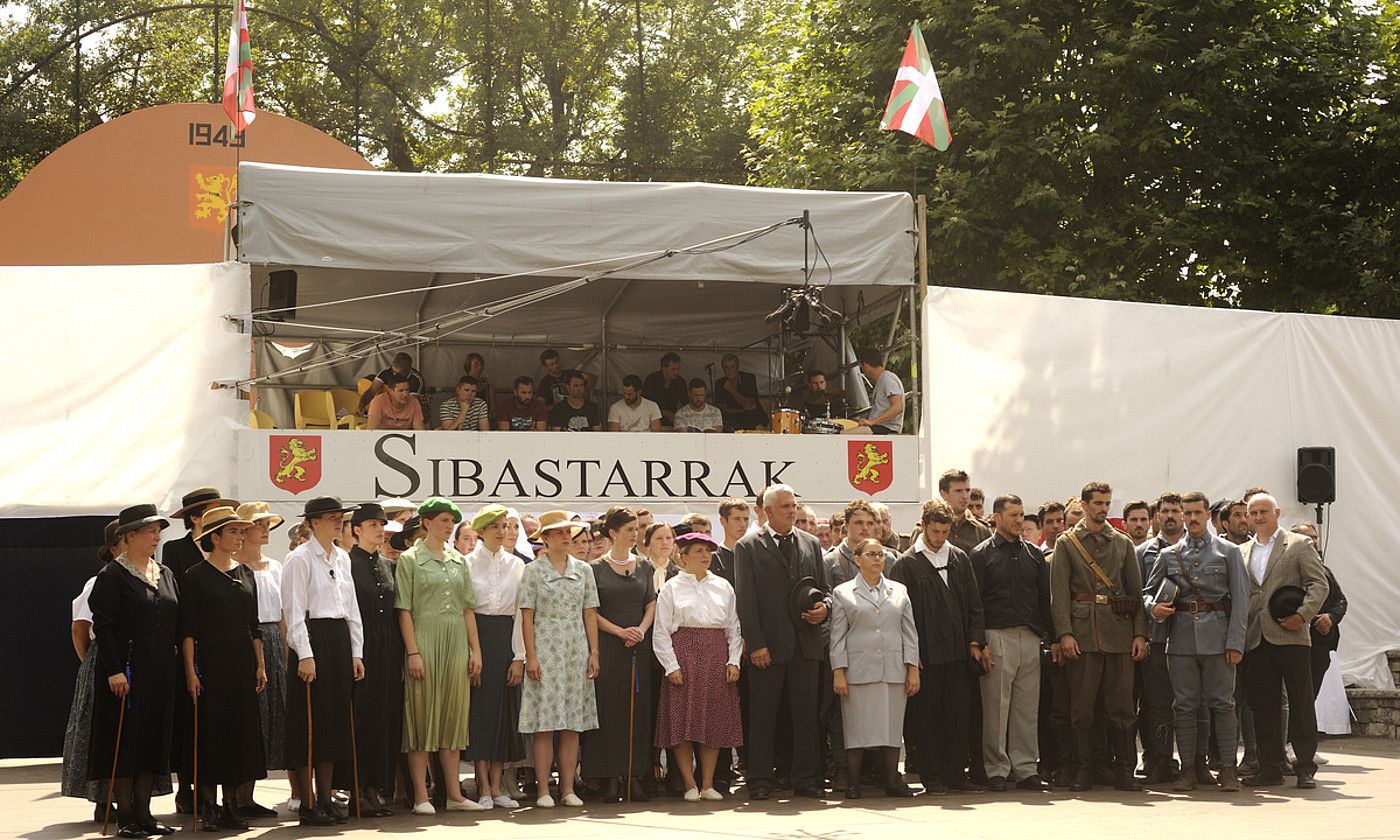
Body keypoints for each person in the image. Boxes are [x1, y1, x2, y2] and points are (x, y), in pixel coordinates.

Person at [1145, 491, 1250, 793]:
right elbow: (1146, 593)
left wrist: (1235, 642)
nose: (1190, 518)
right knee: (1185, 706)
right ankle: (1189, 769)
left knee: (1223, 704)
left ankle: (1228, 769)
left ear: (1207, 515)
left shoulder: (1228, 553)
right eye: (1185, 513)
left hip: (1218, 639)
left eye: (1196, 513)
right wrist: (1152, 607)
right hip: (1179, 640)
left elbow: (1241, 601)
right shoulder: (1168, 555)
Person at [87, 504, 179, 838]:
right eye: (149, 531)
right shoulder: (113, 576)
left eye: (158, 531)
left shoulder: (164, 574)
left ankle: (145, 813)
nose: (156, 537)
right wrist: (113, 669)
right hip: (126, 671)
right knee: (126, 742)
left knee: (152, 741)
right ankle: (125, 815)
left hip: (160, 672)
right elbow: (104, 626)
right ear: (129, 536)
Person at [1050, 482, 1148, 792]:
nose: (1103, 508)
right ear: (1084, 504)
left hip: (1118, 632)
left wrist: (1140, 633)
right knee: (1082, 706)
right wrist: (1064, 633)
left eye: (1107, 503)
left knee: (1122, 706)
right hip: (1083, 633)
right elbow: (1060, 594)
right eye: (1097, 503)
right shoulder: (1067, 543)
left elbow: (1135, 591)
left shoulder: (1121, 543)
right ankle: (1085, 770)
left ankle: (1123, 770)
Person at [734, 484, 831, 800]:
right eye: (786, 506)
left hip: (806, 646)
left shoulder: (811, 543)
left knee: (806, 717)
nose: (793, 511)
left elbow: (824, 588)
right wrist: (756, 642)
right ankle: (760, 779)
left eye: (794, 505)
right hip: (769, 649)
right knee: (763, 717)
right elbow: (746, 601)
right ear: (768, 510)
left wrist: (824, 608)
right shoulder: (748, 546)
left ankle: (806, 778)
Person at [395, 497, 487, 814]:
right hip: (424, 638)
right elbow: (404, 610)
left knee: (453, 715)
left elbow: (467, 609)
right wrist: (413, 652)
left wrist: (475, 650)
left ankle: (454, 795)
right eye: (444, 520)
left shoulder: (459, 560)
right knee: (420, 715)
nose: (449, 526)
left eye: (452, 521)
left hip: (456, 642)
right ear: (427, 522)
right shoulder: (409, 560)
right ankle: (421, 795)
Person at [179, 506, 266, 831]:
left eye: (241, 531)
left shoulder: (246, 575)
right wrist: (190, 672)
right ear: (214, 537)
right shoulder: (195, 576)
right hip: (210, 665)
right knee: (210, 734)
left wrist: (260, 664)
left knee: (237, 734)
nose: (240, 536)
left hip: (241, 664)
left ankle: (231, 804)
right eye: (233, 531)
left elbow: (253, 626)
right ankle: (209, 806)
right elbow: (187, 630)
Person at [282, 496, 366, 827]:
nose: (338, 523)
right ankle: (308, 801)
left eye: (340, 519)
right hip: (313, 638)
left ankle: (326, 797)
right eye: (332, 518)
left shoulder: (342, 557)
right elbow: (293, 609)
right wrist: (304, 654)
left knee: (332, 723)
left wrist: (356, 652)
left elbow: (352, 608)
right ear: (314, 522)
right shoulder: (299, 559)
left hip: (338, 640)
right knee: (308, 723)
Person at [890, 500, 985, 793]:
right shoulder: (906, 563)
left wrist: (976, 639)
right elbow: (901, 614)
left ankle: (957, 773)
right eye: (934, 531)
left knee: (958, 714)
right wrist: (910, 655)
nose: (939, 537)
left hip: (957, 652)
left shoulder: (958, 558)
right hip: (925, 655)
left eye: (945, 531)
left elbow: (973, 602)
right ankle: (932, 776)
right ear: (924, 526)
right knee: (927, 717)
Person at [1238, 492, 1329, 789]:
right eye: (1254, 513)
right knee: (1263, 706)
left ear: (1276, 512)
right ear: (1248, 517)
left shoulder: (1299, 544)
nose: (1259, 517)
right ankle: (1270, 767)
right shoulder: (1241, 552)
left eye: (1265, 511)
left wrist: (1302, 616)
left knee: (1301, 703)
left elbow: (1319, 584)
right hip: (1256, 638)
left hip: (1292, 635)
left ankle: (1304, 766)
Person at [518, 512, 601, 807]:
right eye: (559, 533)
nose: (566, 538)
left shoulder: (584, 570)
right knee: (545, 723)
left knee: (572, 723)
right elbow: (527, 616)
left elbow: (589, 611)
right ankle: (543, 789)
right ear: (546, 538)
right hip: (546, 644)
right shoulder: (533, 571)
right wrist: (531, 656)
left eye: (569, 532)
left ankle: (567, 789)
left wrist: (594, 651)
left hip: (576, 646)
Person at [654, 531, 745, 801]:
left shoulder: (723, 586)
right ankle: (689, 783)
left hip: (716, 655)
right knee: (683, 721)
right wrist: (671, 665)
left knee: (712, 721)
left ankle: (707, 784)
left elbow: (734, 627)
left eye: (708, 551)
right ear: (682, 557)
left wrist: (733, 660)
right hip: (683, 653)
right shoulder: (672, 587)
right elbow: (661, 631)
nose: (705, 556)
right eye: (698, 551)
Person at [831, 537, 919, 798]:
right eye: (871, 554)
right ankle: (854, 783)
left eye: (881, 554)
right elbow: (837, 635)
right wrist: (839, 670)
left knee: (892, 728)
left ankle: (892, 781)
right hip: (858, 669)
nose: (878, 559)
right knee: (856, 729)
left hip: (892, 667)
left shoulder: (899, 590)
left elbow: (910, 633)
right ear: (857, 559)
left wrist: (912, 667)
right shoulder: (843, 592)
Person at [583, 507, 657, 802]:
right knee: (609, 710)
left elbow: (650, 603)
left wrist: (639, 628)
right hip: (610, 643)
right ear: (612, 533)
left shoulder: (644, 566)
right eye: (629, 529)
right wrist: (619, 631)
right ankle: (609, 777)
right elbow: (590, 611)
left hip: (638, 643)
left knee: (638, 711)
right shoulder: (594, 568)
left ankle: (635, 775)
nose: (635, 534)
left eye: (637, 529)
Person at [462, 504, 526, 809]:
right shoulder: (466, 563)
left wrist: (519, 656)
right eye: (496, 527)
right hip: (479, 636)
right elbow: (467, 610)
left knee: (504, 710)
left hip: (506, 636)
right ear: (482, 531)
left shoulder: (516, 564)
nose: (503, 532)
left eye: (506, 526)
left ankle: (498, 785)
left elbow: (519, 613)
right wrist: (473, 651)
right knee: (481, 712)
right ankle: (483, 784)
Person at [343, 503, 403, 817]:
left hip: (388, 647)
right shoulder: (347, 563)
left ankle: (374, 789)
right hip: (361, 645)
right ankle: (356, 788)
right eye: (372, 525)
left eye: (382, 524)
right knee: (362, 716)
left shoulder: (388, 564)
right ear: (356, 529)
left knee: (385, 715)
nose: (380, 530)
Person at [231, 502, 288, 817]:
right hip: (247, 640)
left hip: (274, 641)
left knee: (270, 717)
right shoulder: (233, 567)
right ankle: (235, 795)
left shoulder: (276, 566)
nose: (265, 529)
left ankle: (248, 795)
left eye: (268, 524)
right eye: (259, 524)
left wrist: (284, 647)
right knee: (250, 715)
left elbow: (281, 614)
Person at [1134, 492, 1187, 785]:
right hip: (1155, 638)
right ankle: (1158, 760)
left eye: (1175, 511)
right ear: (1156, 516)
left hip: (1190, 638)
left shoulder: (1197, 550)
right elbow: (1135, 594)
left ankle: (1192, 762)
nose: (1170, 516)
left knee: (1191, 703)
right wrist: (1150, 610)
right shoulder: (1142, 553)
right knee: (1155, 704)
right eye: (1165, 510)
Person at [1291, 523, 1347, 697]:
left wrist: (1331, 618)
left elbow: (1340, 600)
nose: (1313, 542)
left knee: (1312, 693)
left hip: (1322, 643)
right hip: (1297, 640)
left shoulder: (1324, 570)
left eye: (1314, 537)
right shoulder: (1288, 569)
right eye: (1307, 538)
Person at [938, 469, 991, 554]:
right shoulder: (928, 528)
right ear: (943, 494)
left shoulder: (981, 531)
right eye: (958, 491)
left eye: (967, 490)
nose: (965, 496)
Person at [714, 353, 768, 431]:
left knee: (751, 418)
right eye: (727, 368)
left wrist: (732, 390)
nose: (730, 370)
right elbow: (721, 409)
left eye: (732, 367)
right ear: (723, 369)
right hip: (732, 419)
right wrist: (740, 411)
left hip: (752, 417)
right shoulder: (719, 383)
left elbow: (749, 404)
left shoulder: (749, 379)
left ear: (738, 367)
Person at [357, 352, 423, 414]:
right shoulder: (386, 372)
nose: (394, 374)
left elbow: (410, 405)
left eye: (397, 373)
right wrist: (361, 405)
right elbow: (371, 391)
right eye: (392, 370)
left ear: (407, 371)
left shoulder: (416, 380)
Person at [856, 351, 904, 433]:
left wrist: (872, 422)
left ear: (866, 365)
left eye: (862, 367)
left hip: (886, 428)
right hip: (879, 427)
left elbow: (898, 407)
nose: (862, 370)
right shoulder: (882, 379)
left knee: (842, 436)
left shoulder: (887, 378)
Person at [642, 352, 688, 427]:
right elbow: (645, 405)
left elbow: (685, 403)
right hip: (651, 421)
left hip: (672, 422)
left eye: (678, 369)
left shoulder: (680, 382)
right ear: (664, 368)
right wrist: (665, 413)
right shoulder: (651, 380)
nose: (676, 372)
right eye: (673, 369)